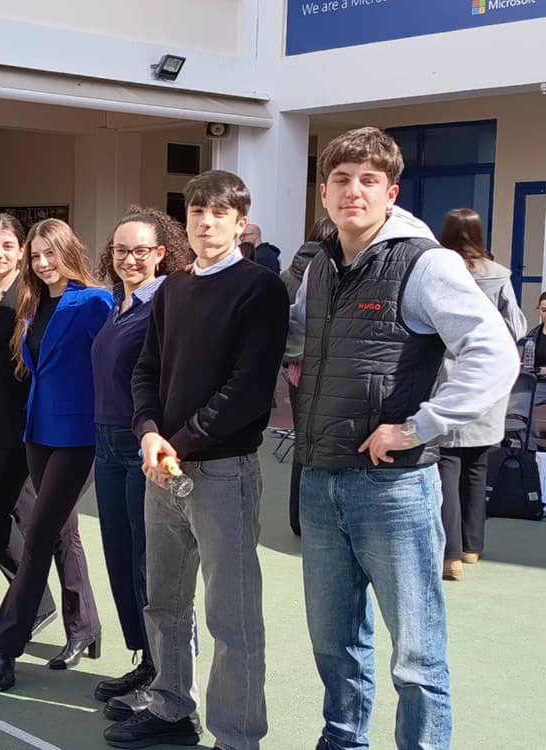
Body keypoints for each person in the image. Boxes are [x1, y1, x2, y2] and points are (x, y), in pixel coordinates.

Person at [288, 127, 518, 750]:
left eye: (369, 181)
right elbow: (292, 338)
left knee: (416, 656)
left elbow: (495, 353)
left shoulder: (425, 263)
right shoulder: (319, 267)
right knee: (334, 644)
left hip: (394, 490)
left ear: (390, 193)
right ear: (323, 191)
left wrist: (421, 425)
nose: (353, 192)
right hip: (321, 480)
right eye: (341, 179)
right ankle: (342, 741)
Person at [103, 172, 287, 750]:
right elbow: (147, 370)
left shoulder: (260, 289)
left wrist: (176, 443)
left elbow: (247, 390)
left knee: (231, 616)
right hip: (162, 469)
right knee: (164, 601)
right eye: (197, 212)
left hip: (223, 474)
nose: (206, 222)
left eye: (219, 213)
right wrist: (149, 433)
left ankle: (236, 736)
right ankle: (171, 708)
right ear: (185, 221)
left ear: (240, 221)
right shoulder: (173, 290)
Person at [0, 218, 111, 693]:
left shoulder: (94, 302)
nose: (41, 263)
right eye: (35, 256)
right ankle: (84, 627)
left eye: (49, 254)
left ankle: (6, 642)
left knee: (38, 532)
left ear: (68, 251)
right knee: (61, 530)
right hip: (38, 432)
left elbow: (117, 364)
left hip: (80, 435)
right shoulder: (32, 302)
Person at [90, 206, 193, 717]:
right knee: (119, 554)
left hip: (142, 447)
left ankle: (168, 676)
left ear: (161, 253)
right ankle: (147, 661)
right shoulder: (118, 303)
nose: (129, 259)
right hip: (106, 444)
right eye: (120, 250)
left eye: (140, 251)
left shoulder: (165, 303)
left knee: (150, 565)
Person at [0, 214, 59, 634]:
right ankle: (36, 604)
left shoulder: (29, 296)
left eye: (8, 246)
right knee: (21, 515)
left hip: (23, 423)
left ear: (21, 251)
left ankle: (33, 602)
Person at [435, 208, 525, 581]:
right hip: (487, 379)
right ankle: (473, 546)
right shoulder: (499, 275)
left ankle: (449, 554)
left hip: (447, 378)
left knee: (447, 464)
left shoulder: (438, 271)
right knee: (476, 465)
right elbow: (517, 326)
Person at [280, 216, 337, 537]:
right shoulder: (333, 269)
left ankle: (296, 517)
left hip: (295, 368)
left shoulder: (288, 273)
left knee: (303, 443)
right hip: (325, 368)